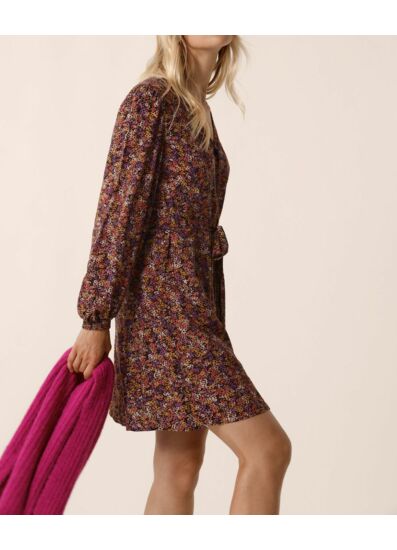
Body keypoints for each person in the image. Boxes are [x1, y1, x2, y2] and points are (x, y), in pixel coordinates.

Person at [67, 35, 291, 515]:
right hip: (166, 313)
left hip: (192, 305)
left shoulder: (193, 106)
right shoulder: (151, 101)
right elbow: (119, 210)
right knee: (268, 450)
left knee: (180, 465)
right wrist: (95, 317)